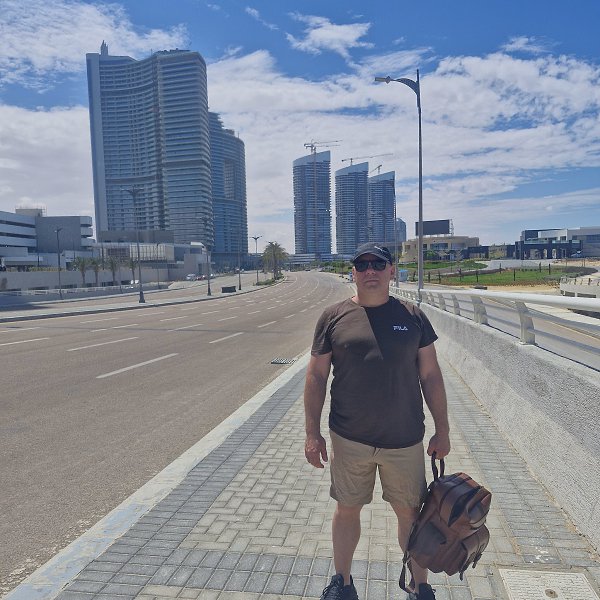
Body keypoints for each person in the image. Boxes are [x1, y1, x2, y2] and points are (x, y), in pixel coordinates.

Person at [304, 242, 451, 600]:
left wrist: (443, 429)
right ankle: (343, 582)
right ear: (353, 272)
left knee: (410, 515)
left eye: (378, 264)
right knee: (347, 509)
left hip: (404, 438)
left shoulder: (413, 316)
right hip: (349, 437)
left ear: (391, 271)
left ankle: (419, 585)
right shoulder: (333, 317)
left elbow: (430, 375)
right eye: (362, 264)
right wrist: (312, 433)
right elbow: (316, 376)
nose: (370, 270)